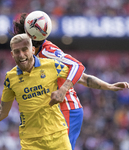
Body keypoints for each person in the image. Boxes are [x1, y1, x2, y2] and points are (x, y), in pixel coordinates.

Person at [12, 13, 129, 150]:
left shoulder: (48, 52)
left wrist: (63, 90)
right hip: (51, 114)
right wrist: (107, 86)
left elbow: (77, 66)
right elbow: (83, 78)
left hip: (66, 110)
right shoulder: (32, 57)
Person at [0, 33, 73, 149]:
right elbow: (2, 111)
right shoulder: (10, 78)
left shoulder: (53, 66)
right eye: (17, 51)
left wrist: (64, 88)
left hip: (58, 137)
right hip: (31, 142)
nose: (21, 55)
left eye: (24, 50)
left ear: (32, 50)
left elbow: (81, 77)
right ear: (12, 54)